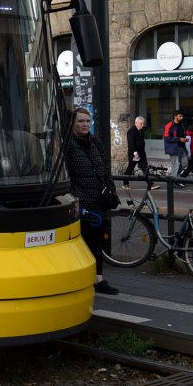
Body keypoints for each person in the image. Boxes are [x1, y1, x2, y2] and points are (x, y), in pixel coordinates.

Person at [64, 107, 119, 295]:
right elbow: (65, 175)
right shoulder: (67, 144)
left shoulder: (95, 142)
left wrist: (111, 189)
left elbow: (105, 168)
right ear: (72, 123)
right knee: (79, 243)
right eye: (80, 121)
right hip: (81, 203)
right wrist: (75, 197)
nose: (85, 125)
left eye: (87, 121)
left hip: (99, 201)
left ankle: (98, 279)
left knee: (96, 242)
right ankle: (78, 279)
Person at [122, 116, 157, 189]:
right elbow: (131, 143)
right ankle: (125, 183)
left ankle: (151, 183)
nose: (143, 125)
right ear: (136, 123)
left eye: (143, 123)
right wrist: (135, 152)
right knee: (130, 168)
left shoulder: (141, 130)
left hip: (142, 153)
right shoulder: (131, 131)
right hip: (134, 154)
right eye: (141, 124)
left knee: (145, 168)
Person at [163, 110, 188, 182]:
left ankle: (175, 176)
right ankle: (173, 181)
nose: (182, 117)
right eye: (180, 116)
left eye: (182, 116)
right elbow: (167, 138)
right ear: (175, 116)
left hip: (182, 147)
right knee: (175, 166)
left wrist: (185, 139)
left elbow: (182, 135)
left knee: (184, 163)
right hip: (173, 148)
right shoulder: (169, 125)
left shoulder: (181, 125)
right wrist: (180, 139)